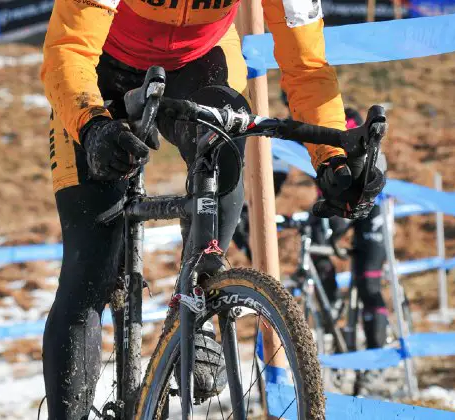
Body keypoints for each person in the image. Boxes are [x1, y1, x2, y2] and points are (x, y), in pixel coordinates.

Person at [39, 0, 385, 417]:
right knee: (88, 271)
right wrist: (91, 125)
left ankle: (195, 303)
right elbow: (70, 48)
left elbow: (307, 66)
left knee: (223, 145)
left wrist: (332, 159)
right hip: (98, 71)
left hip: (199, 62)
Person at [233, 106, 389, 391]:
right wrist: (250, 208)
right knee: (317, 252)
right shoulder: (293, 128)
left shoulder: (344, 116)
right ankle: (332, 316)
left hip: (368, 202)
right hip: (330, 201)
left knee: (369, 280)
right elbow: (274, 173)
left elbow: (367, 162)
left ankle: (375, 363)